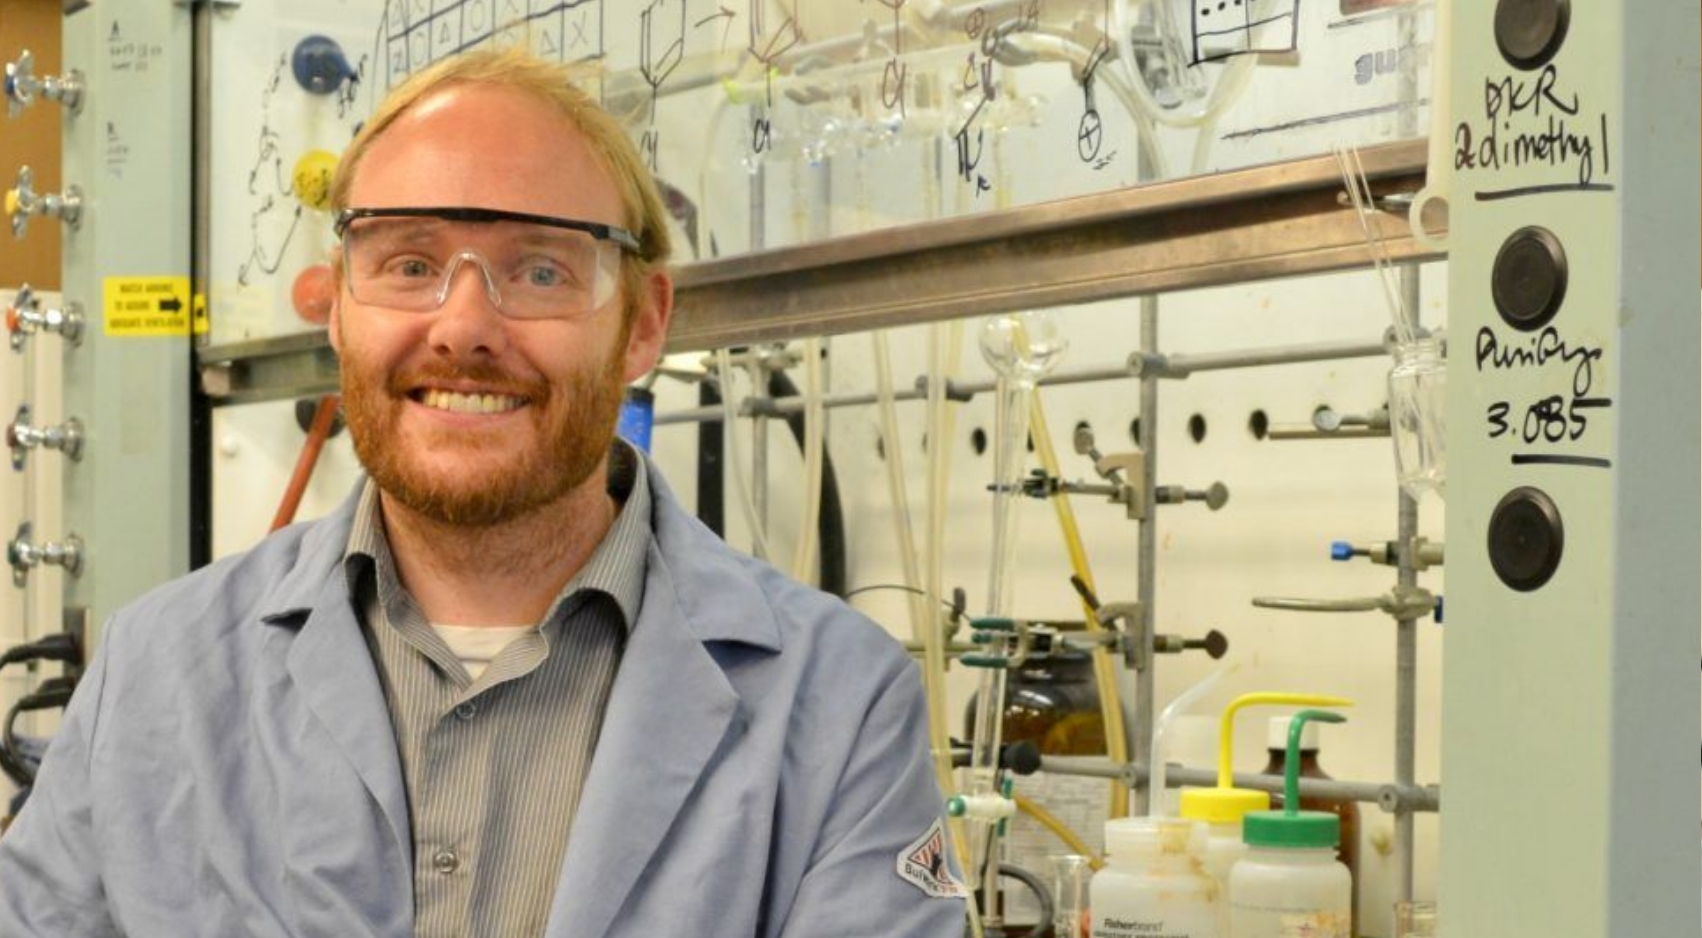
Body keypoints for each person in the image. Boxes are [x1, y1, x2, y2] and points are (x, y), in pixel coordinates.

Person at [0, 49, 965, 938]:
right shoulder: (155, 676)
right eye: (410, 265)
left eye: (540, 269)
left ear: (641, 325)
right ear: (336, 305)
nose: (463, 327)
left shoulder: (839, 707)